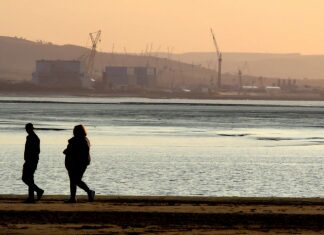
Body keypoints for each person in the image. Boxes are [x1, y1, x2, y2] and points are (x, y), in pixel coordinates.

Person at [63, 125, 95, 203]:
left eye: (75, 130)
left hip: (77, 163)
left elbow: (74, 151)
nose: (73, 132)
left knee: (75, 180)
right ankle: (73, 197)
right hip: (76, 162)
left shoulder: (80, 140)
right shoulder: (83, 139)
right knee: (74, 180)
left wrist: (67, 151)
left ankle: (89, 191)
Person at [22, 123, 44, 203]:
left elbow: (37, 151)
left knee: (25, 178)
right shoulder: (29, 137)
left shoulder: (35, 138)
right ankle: (31, 197)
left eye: (28, 129)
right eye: (26, 128)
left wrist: (30, 158)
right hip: (29, 160)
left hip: (31, 161)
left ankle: (38, 191)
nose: (27, 130)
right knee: (29, 179)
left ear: (31, 129)